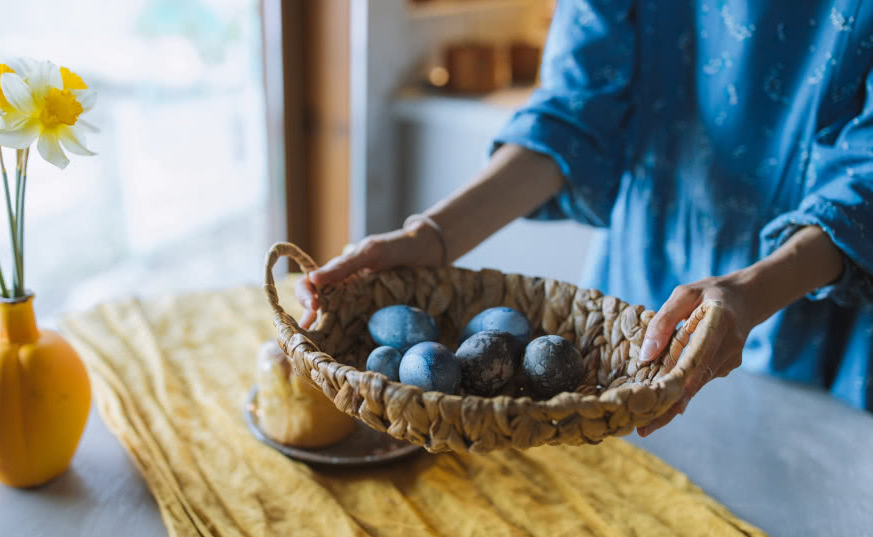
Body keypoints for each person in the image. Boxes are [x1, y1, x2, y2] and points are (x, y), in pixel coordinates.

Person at [297, 1, 873, 435]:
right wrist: (431, 237)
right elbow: (575, 113)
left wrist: (753, 290)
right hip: (638, 314)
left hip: (818, 317)